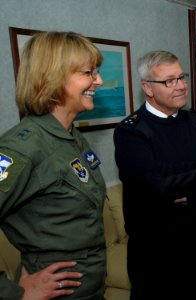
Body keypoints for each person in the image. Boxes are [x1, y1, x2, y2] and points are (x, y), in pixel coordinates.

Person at [113, 50, 196, 300]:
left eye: (182, 77)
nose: (180, 86)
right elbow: (157, 181)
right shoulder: (131, 132)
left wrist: (191, 192)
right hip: (154, 250)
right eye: (169, 81)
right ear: (148, 87)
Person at [0, 31, 107, 299]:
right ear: (54, 77)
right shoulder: (22, 147)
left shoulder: (72, 137)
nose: (99, 81)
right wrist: (14, 293)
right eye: (89, 72)